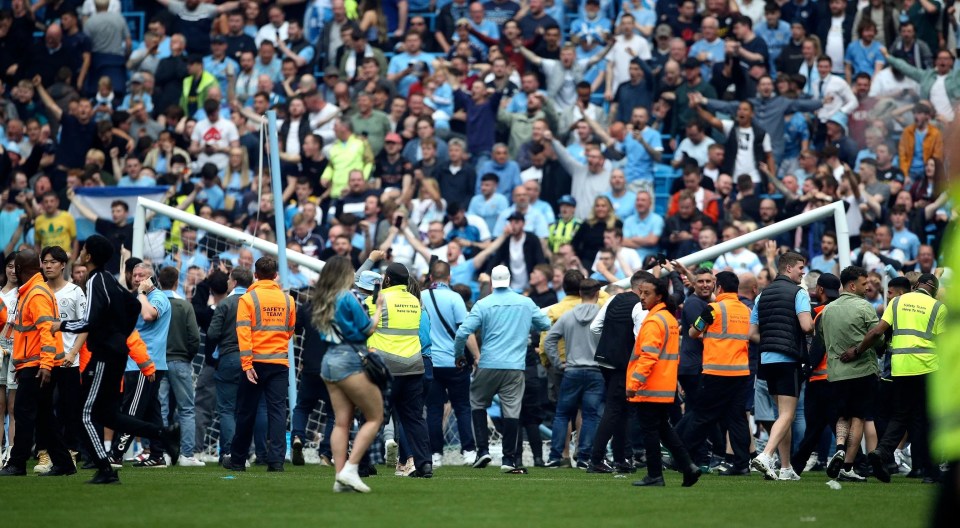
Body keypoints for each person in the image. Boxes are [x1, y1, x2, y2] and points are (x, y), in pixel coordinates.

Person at [52, 235, 179, 485]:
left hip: (104, 355)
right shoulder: (107, 278)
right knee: (108, 414)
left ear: (88, 256)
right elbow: (133, 305)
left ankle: (106, 468)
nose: (80, 252)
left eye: (84, 248)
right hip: (115, 354)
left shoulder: (96, 280)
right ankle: (163, 434)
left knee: (83, 414)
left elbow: (90, 320)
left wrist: (62, 324)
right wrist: (120, 334)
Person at [453, 265, 551, 473]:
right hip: (515, 366)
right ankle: (508, 459)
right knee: (512, 410)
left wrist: (459, 355)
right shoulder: (525, 303)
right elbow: (545, 324)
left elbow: (462, 333)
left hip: (488, 363)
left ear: (491, 283)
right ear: (510, 280)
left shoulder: (483, 304)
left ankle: (482, 451)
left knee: (477, 401)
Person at [855, 273, 946, 484]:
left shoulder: (897, 301)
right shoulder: (938, 307)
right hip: (927, 368)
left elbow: (878, 331)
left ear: (917, 285)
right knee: (926, 419)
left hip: (900, 368)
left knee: (900, 415)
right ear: (933, 288)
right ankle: (930, 471)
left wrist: (858, 350)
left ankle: (882, 452)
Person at [309, 256, 384, 493]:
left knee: (341, 421)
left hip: (329, 361)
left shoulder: (322, 299)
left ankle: (339, 477)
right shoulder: (348, 297)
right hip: (350, 359)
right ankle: (351, 469)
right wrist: (379, 307)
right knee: (375, 416)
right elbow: (367, 329)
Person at [0, 250, 74, 477]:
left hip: (38, 366)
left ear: (21, 270)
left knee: (23, 413)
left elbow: (46, 332)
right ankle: (63, 463)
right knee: (43, 416)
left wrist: (45, 365)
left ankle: (17, 463)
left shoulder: (35, 293)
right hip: (34, 364)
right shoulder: (33, 291)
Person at [627, 275, 701, 487]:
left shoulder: (653, 321)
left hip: (650, 387)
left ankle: (655, 475)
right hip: (664, 385)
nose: (641, 297)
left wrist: (633, 384)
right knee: (664, 430)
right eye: (640, 292)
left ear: (659, 296)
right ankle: (688, 466)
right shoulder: (668, 318)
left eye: (646, 293)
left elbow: (648, 356)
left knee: (651, 431)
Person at [225, 257, 296, 473]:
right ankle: (276, 461)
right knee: (277, 413)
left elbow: (243, 333)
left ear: (255, 274)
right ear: (276, 275)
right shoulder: (288, 300)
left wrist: (247, 365)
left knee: (246, 412)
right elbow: (290, 330)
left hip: (254, 363)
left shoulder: (247, 299)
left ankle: (238, 460)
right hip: (279, 362)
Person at [749, 251, 814, 480]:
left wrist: (771, 341)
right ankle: (766, 455)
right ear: (789, 268)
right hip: (788, 359)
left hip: (766, 360)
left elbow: (752, 333)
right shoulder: (799, 293)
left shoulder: (762, 295)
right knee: (788, 414)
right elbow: (806, 326)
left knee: (781, 415)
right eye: (800, 269)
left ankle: (786, 468)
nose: (802, 273)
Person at [680, 271, 752, 475]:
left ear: (718, 287)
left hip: (716, 371)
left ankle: (682, 456)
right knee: (737, 419)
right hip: (740, 372)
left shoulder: (713, 309)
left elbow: (694, 332)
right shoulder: (746, 310)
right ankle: (741, 465)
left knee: (702, 416)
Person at [365, 262, 433, 478]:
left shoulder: (377, 299)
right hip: (413, 365)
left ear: (387, 279)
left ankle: (363, 463)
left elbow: (363, 325)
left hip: (385, 366)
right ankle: (424, 464)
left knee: (372, 416)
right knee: (414, 418)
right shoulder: (415, 301)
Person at [587, 270, 651, 473]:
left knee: (621, 410)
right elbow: (640, 338)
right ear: (642, 288)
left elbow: (595, 328)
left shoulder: (613, 299)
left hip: (605, 361)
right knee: (615, 410)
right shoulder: (640, 307)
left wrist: (609, 346)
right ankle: (596, 459)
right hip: (624, 365)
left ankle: (621, 458)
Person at [110, 263, 172, 468]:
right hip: (135, 362)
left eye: (142, 275)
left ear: (151, 277)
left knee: (131, 410)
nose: (137, 279)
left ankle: (115, 454)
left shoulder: (157, 297)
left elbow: (148, 315)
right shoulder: (137, 296)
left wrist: (142, 293)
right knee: (151, 411)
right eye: (135, 275)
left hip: (146, 363)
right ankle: (158, 454)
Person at [543, 279, 604, 469]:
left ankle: (555, 456)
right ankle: (584, 457)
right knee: (590, 415)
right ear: (597, 293)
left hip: (572, 370)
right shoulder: (603, 316)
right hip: (596, 371)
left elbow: (549, 340)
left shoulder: (568, 316)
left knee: (562, 414)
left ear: (579, 293)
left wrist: (557, 363)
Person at [423, 260, 478, 467]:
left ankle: (435, 454)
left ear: (430, 277)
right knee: (462, 407)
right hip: (455, 362)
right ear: (449, 277)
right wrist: (477, 356)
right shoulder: (455, 298)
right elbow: (464, 331)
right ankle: (469, 451)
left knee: (434, 409)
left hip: (430, 362)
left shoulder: (421, 296)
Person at [38, 246, 86, 470]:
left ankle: (71, 452)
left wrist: (73, 352)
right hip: (43, 360)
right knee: (43, 409)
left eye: (53, 262)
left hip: (68, 360)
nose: (48, 265)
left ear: (63, 264)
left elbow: (86, 326)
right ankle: (45, 453)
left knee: (69, 410)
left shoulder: (75, 292)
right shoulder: (38, 291)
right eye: (45, 261)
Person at [790, 272, 840, 476]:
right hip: (839, 377)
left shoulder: (818, 312)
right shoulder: (843, 311)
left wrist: (807, 368)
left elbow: (817, 346)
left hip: (819, 378)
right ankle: (796, 465)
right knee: (834, 426)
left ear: (820, 290)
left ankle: (795, 466)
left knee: (819, 426)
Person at [206, 267, 253, 466]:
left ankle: (230, 452)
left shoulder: (225, 304)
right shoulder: (254, 304)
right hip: (252, 359)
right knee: (246, 409)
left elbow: (212, 333)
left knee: (226, 409)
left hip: (228, 357)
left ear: (233, 282)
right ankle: (247, 452)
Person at [156, 266, 203, 467]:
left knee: (161, 409)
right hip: (180, 361)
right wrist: (187, 356)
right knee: (187, 409)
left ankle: (162, 453)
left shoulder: (154, 304)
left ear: (159, 281)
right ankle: (186, 455)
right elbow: (194, 337)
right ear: (176, 282)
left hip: (158, 362)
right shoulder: (184, 306)